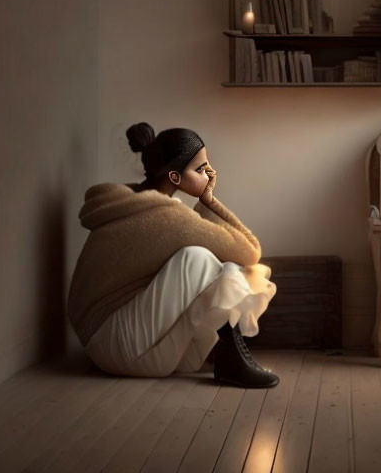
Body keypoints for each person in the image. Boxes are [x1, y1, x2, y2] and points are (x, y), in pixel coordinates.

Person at [67, 122, 279, 388]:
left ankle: (230, 358)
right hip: (119, 346)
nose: (210, 173)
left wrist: (204, 197)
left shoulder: (132, 201)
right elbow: (250, 251)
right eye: (201, 169)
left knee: (215, 264)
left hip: (106, 345)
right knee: (198, 258)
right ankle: (233, 359)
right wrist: (209, 200)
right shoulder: (167, 216)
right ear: (175, 177)